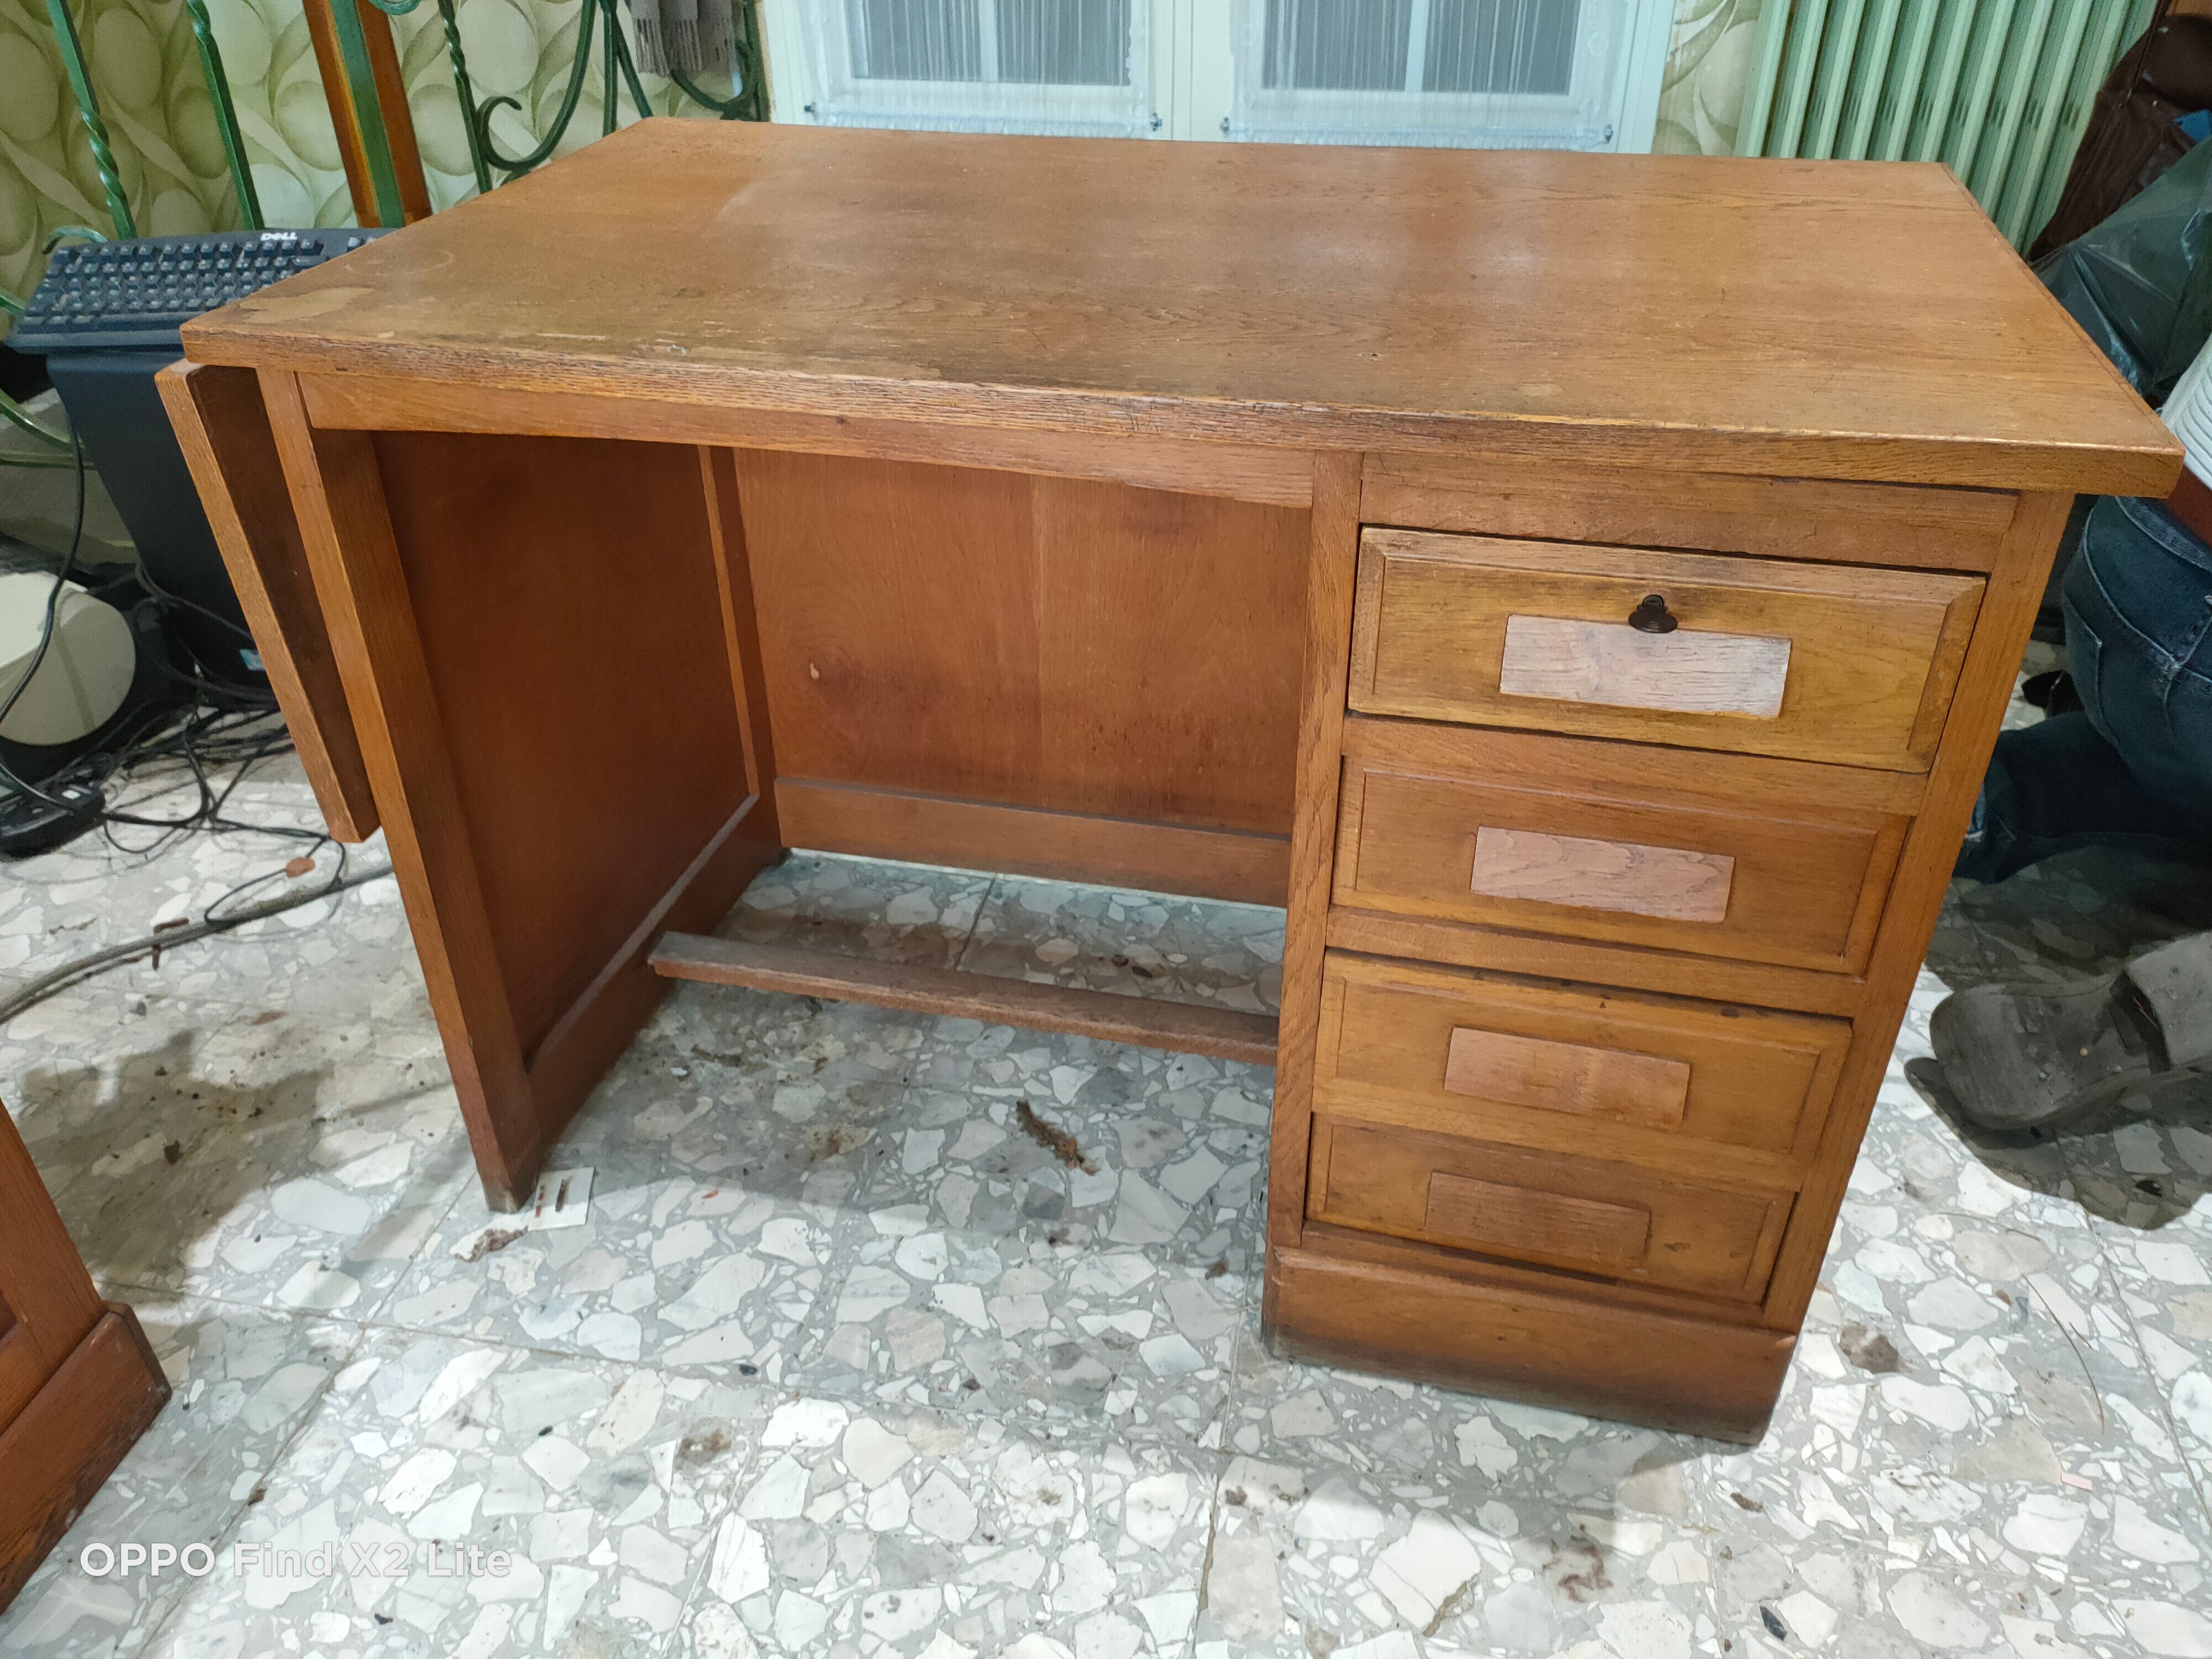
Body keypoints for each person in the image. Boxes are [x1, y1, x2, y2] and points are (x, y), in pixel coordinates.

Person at [1932, 336, 2212, 1129]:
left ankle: (1956, 814)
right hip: (2196, 648)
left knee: (2171, 772)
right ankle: (2150, 1015)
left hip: (2131, 539)